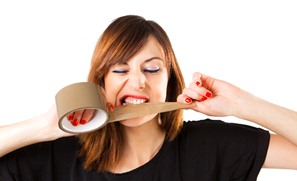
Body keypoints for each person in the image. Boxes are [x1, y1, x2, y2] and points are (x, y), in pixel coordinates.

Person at [0, 15, 297, 180]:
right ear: (100, 81)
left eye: (152, 69)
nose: (138, 81)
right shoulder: (57, 156)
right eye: (120, 69)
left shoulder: (212, 146)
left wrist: (241, 104)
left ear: (169, 80)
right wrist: (43, 127)